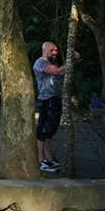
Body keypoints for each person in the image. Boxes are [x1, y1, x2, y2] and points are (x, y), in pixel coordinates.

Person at [34, 41, 67, 173]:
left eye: (56, 50)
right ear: (45, 50)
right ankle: (40, 160)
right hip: (46, 99)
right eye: (52, 50)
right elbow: (58, 72)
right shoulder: (40, 62)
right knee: (43, 129)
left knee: (50, 131)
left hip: (55, 99)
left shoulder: (51, 63)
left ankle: (49, 158)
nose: (55, 53)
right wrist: (72, 60)